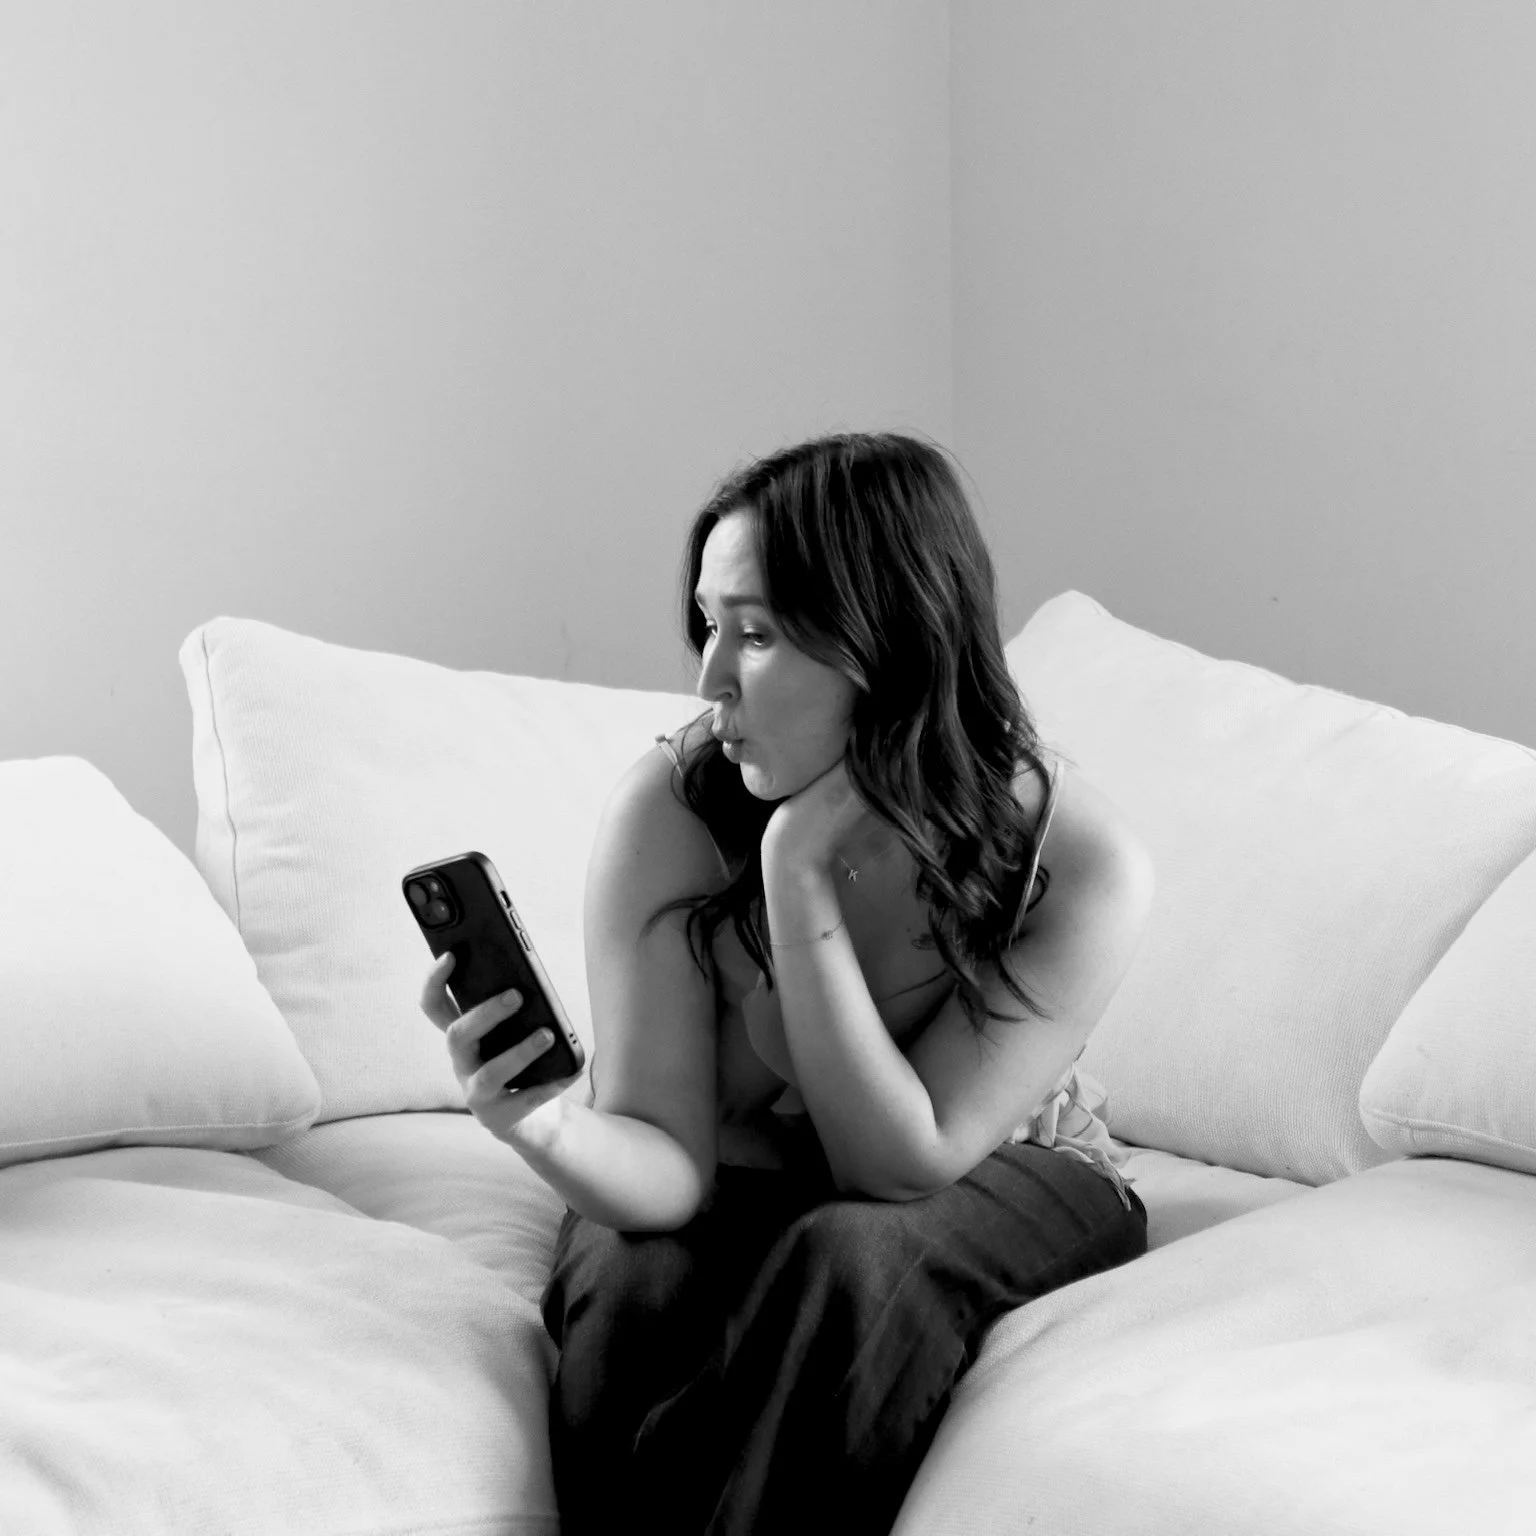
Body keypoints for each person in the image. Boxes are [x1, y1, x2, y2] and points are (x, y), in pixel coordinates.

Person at [419, 430, 1155, 1536]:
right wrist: (543, 1125)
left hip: (1008, 1166)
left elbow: (895, 1165)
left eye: (755, 634)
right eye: (708, 625)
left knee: (848, 1256)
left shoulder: (1078, 862)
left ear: (887, 642)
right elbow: (666, 1168)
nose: (709, 678)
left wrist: (798, 872)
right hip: (743, 1173)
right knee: (633, 1284)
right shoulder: (670, 810)